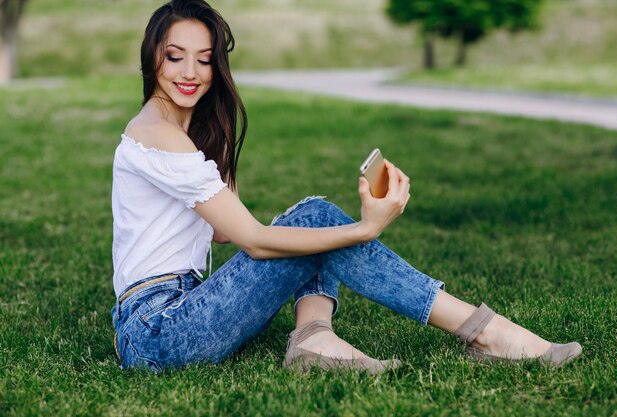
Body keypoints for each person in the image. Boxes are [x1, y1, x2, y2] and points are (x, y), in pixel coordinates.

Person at [111, 0, 582, 373]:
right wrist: (362, 230)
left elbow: (221, 232)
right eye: (175, 57)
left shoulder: (182, 131)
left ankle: (315, 338)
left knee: (312, 215)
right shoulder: (156, 134)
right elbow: (252, 239)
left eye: (205, 60)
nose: (190, 73)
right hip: (157, 330)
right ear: (152, 55)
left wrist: (215, 132)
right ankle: (485, 332)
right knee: (317, 221)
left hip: (176, 310)